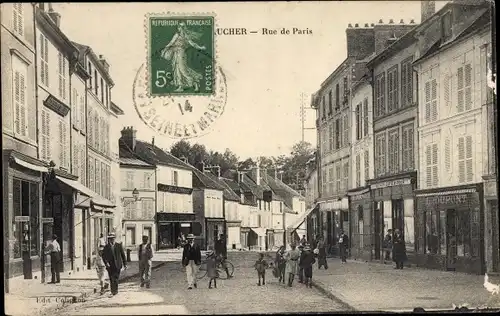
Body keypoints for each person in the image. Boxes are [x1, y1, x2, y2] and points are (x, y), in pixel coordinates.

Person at [160, 22, 206, 92]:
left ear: (182, 28)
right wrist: (165, 49)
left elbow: (192, 44)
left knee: (183, 70)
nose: (178, 28)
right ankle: (180, 86)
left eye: (179, 27)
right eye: (178, 27)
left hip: (181, 54)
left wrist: (200, 47)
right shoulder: (177, 35)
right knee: (177, 70)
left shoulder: (185, 36)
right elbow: (171, 43)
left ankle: (195, 83)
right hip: (176, 54)